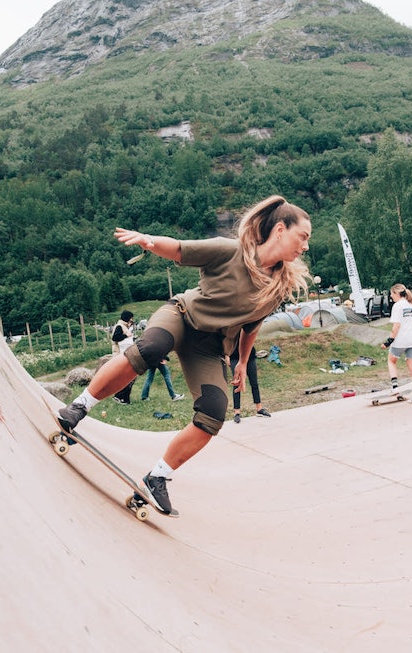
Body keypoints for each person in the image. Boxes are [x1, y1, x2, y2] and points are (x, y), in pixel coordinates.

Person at [56, 195, 312, 514]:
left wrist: (243, 362)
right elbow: (179, 249)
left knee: (213, 413)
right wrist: (149, 241)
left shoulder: (278, 286)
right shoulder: (229, 251)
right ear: (280, 230)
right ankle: (79, 407)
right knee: (150, 349)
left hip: (210, 347)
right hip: (181, 316)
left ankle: (158, 477)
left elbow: (251, 328)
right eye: (302, 236)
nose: (305, 246)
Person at [382, 283, 412, 403]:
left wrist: (388, 342)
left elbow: (396, 326)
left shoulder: (397, 306)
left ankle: (395, 387)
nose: (391, 296)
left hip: (400, 340)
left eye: (391, 294)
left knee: (391, 360)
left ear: (396, 293)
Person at [228, 345, 270, 423]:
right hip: (234, 356)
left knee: (254, 383)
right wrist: (226, 356)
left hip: (249, 355)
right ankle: (237, 413)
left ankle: (259, 409)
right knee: (237, 384)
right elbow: (225, 340)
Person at [110, 310, 136, 404]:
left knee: (129, 377)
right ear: (127, 318)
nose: (132, 320)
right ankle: (119, 396)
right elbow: (115, 338)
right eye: (131, 318)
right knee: (128, 377)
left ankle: (125, 399)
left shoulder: (123, 326)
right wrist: (126, 335)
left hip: (123, 354)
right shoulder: (119, 326)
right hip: (119, 355)